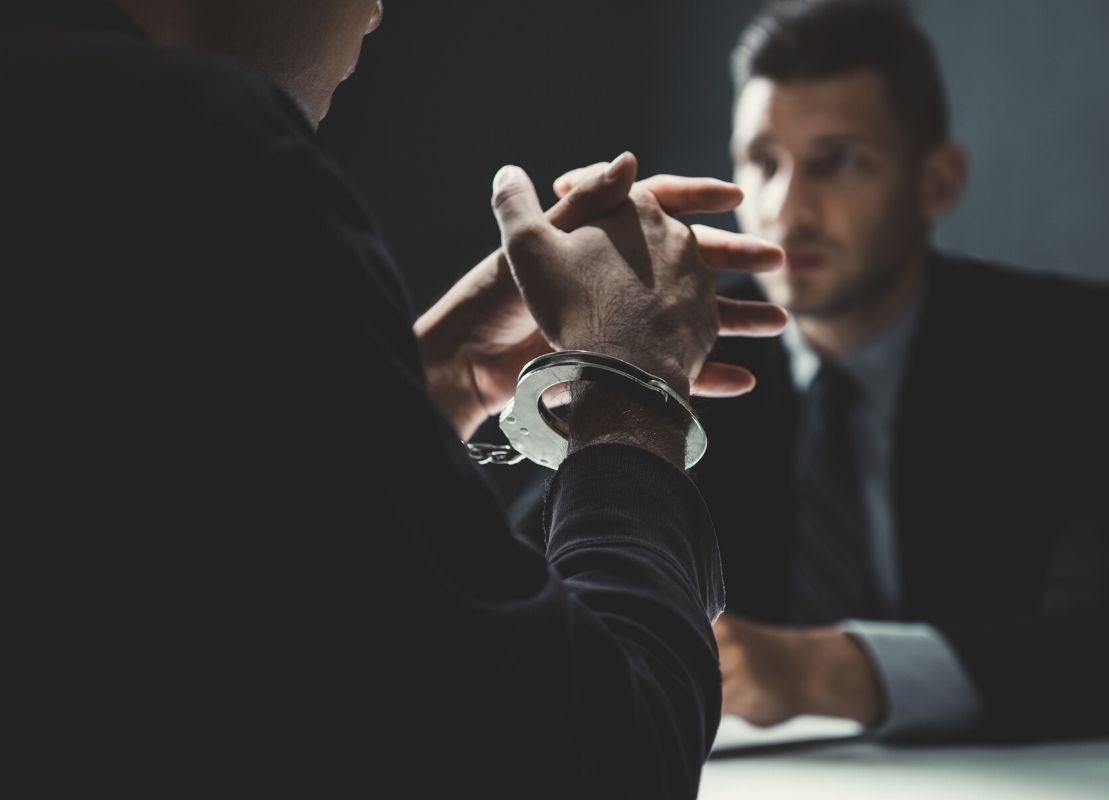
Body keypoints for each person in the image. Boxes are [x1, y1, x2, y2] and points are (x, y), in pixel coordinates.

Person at [3, 1, 789, 795]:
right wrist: (632, 382)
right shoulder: (202, 139)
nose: (378, 13)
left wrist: (440, 376)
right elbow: (613, 761)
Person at [549, 0, 1109, 743]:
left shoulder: (1074, 348)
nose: (787, 208)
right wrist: (580, 365)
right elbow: (525, 589)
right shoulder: (679, 354)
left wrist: (823, 671)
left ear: (938, 182)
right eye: (763, 162)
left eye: (839, 161)